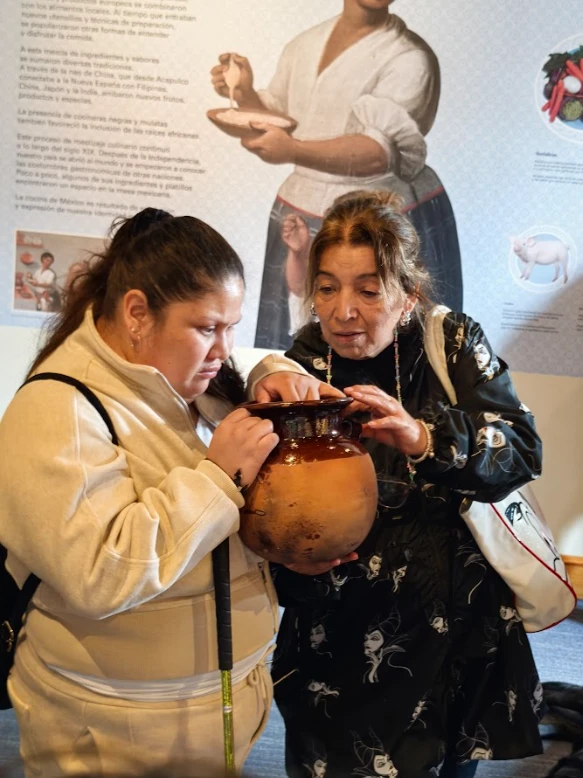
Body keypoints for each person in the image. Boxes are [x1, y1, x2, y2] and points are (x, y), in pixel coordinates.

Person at [247, 190, 544, 778]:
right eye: (326, 288)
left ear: (408, 293)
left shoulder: (449, 342)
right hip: (341, 630)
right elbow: (268, 495)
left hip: (452, 624)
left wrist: (423, 437)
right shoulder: (303, 365)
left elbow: (521, 448)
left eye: (368, 290)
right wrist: (287, 555)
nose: (342, 312)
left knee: (445, 761)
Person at [0, 208, 297, 776]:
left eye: (231, 327)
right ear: (137, 313)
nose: (223, 349)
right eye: (207, 328)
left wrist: (272, 373)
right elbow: (101, 572)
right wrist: (218, 477)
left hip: (205, 713)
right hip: (115, 734)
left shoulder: (187, 381)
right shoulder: (57, 410)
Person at [211, 0, 463, 350]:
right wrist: (244, 92)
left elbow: (379, 153)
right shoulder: (304, 44)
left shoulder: (410, 58)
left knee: (397, 349)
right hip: (300, 208)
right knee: (297, 343)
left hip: (383, 218)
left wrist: (293, 150)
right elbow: (283, 117)